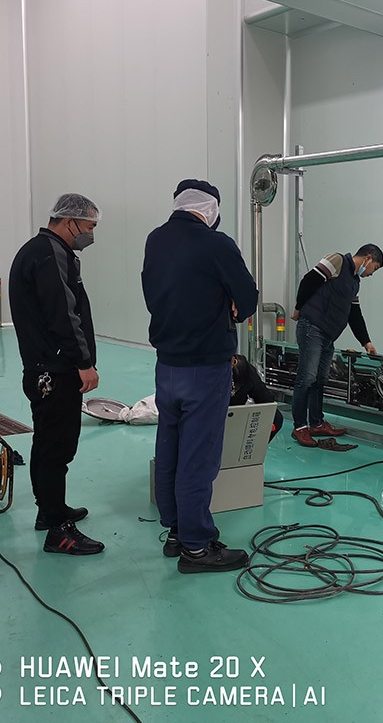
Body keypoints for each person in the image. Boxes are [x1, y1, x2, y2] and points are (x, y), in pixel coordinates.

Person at [142, 179, 258, 573]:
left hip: (166, 365)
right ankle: (196, 548)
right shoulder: (216, 244)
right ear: (211, 209)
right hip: (205, 367)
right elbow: (248, 298)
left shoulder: (156, 240)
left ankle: (177, 531)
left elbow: (153, 294)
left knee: (170, 447)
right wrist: (231, 304)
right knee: (199, 456)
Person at [9, 193, 104, 556]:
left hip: (44, 366)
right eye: (89, 226)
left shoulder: (40, 251)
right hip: (56, 369)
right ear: (69, 221)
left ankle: (51, 511)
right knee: (56, 446)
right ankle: (57, 530)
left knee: (50, 443)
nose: (90, 234)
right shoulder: (51, 255)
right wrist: (84, 361)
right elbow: (64, 314)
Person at [290, 244, 383, 447]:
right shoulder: (337, 261)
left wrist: (366, 342)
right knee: (306, 378)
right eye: (374, 268)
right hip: (312, 327)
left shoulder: (354, 282)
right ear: (368, 258)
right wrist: (298, 308)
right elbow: (308, 281)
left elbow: (354, 314)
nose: (371, 274)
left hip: (328, 335)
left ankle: (316, 423)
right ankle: (300, 427)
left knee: (320, 379)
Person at [230, 354, 283, 441]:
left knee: (276, 417)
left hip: (234, 413)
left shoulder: (246, 370)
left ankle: (256, 449)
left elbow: (266, 400)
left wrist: (266, 423)